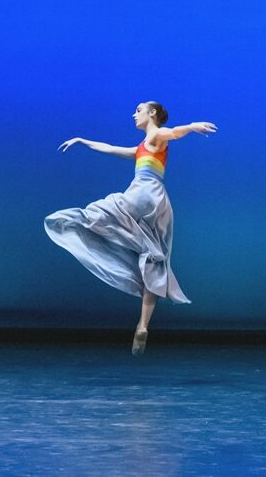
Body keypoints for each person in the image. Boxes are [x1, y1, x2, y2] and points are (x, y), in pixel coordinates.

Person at [47, 102, 217, 354]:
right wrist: (82, 140)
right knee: (154, 260)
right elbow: (110, 148)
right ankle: (142, 326)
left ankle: (80, 222)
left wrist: (192, 126)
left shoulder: (157, 134)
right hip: (159, 202)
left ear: (152, 113)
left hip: (142, 193)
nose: (134, 114)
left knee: (96, 215)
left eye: (139, 110)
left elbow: (173, 132)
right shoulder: (141, 147)